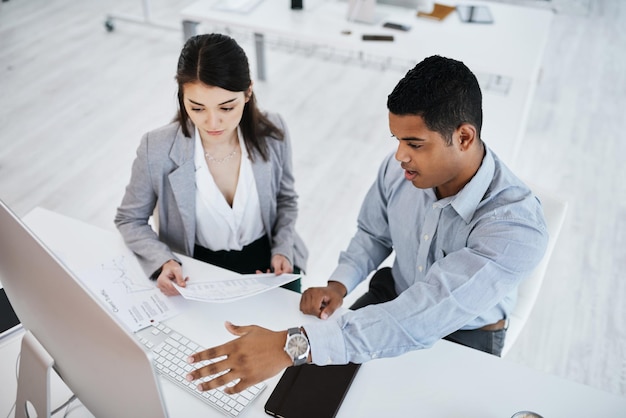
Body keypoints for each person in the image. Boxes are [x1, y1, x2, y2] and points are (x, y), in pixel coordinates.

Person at [184, 55, 549, 394]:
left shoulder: (516, 227)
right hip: (395, 292)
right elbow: (374, 233)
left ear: (464, 137)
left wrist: (291, 344)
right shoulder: (401, 170)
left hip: (465, 333)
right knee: (308, 391)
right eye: (398, 140)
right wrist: (340, 283)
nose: (400, 156)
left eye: (415, 143)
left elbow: (423, 315)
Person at [115, 33, 307, 295]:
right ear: (182, 96)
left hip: (270, 262)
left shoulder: (273, 132)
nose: (212, 123)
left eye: (226, 108)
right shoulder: (156, 147)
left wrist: (282, 247)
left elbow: (286, 199)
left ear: (248, 91)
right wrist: (163, 260)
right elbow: (130, 218)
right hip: (196, 268)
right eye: (197, 108)